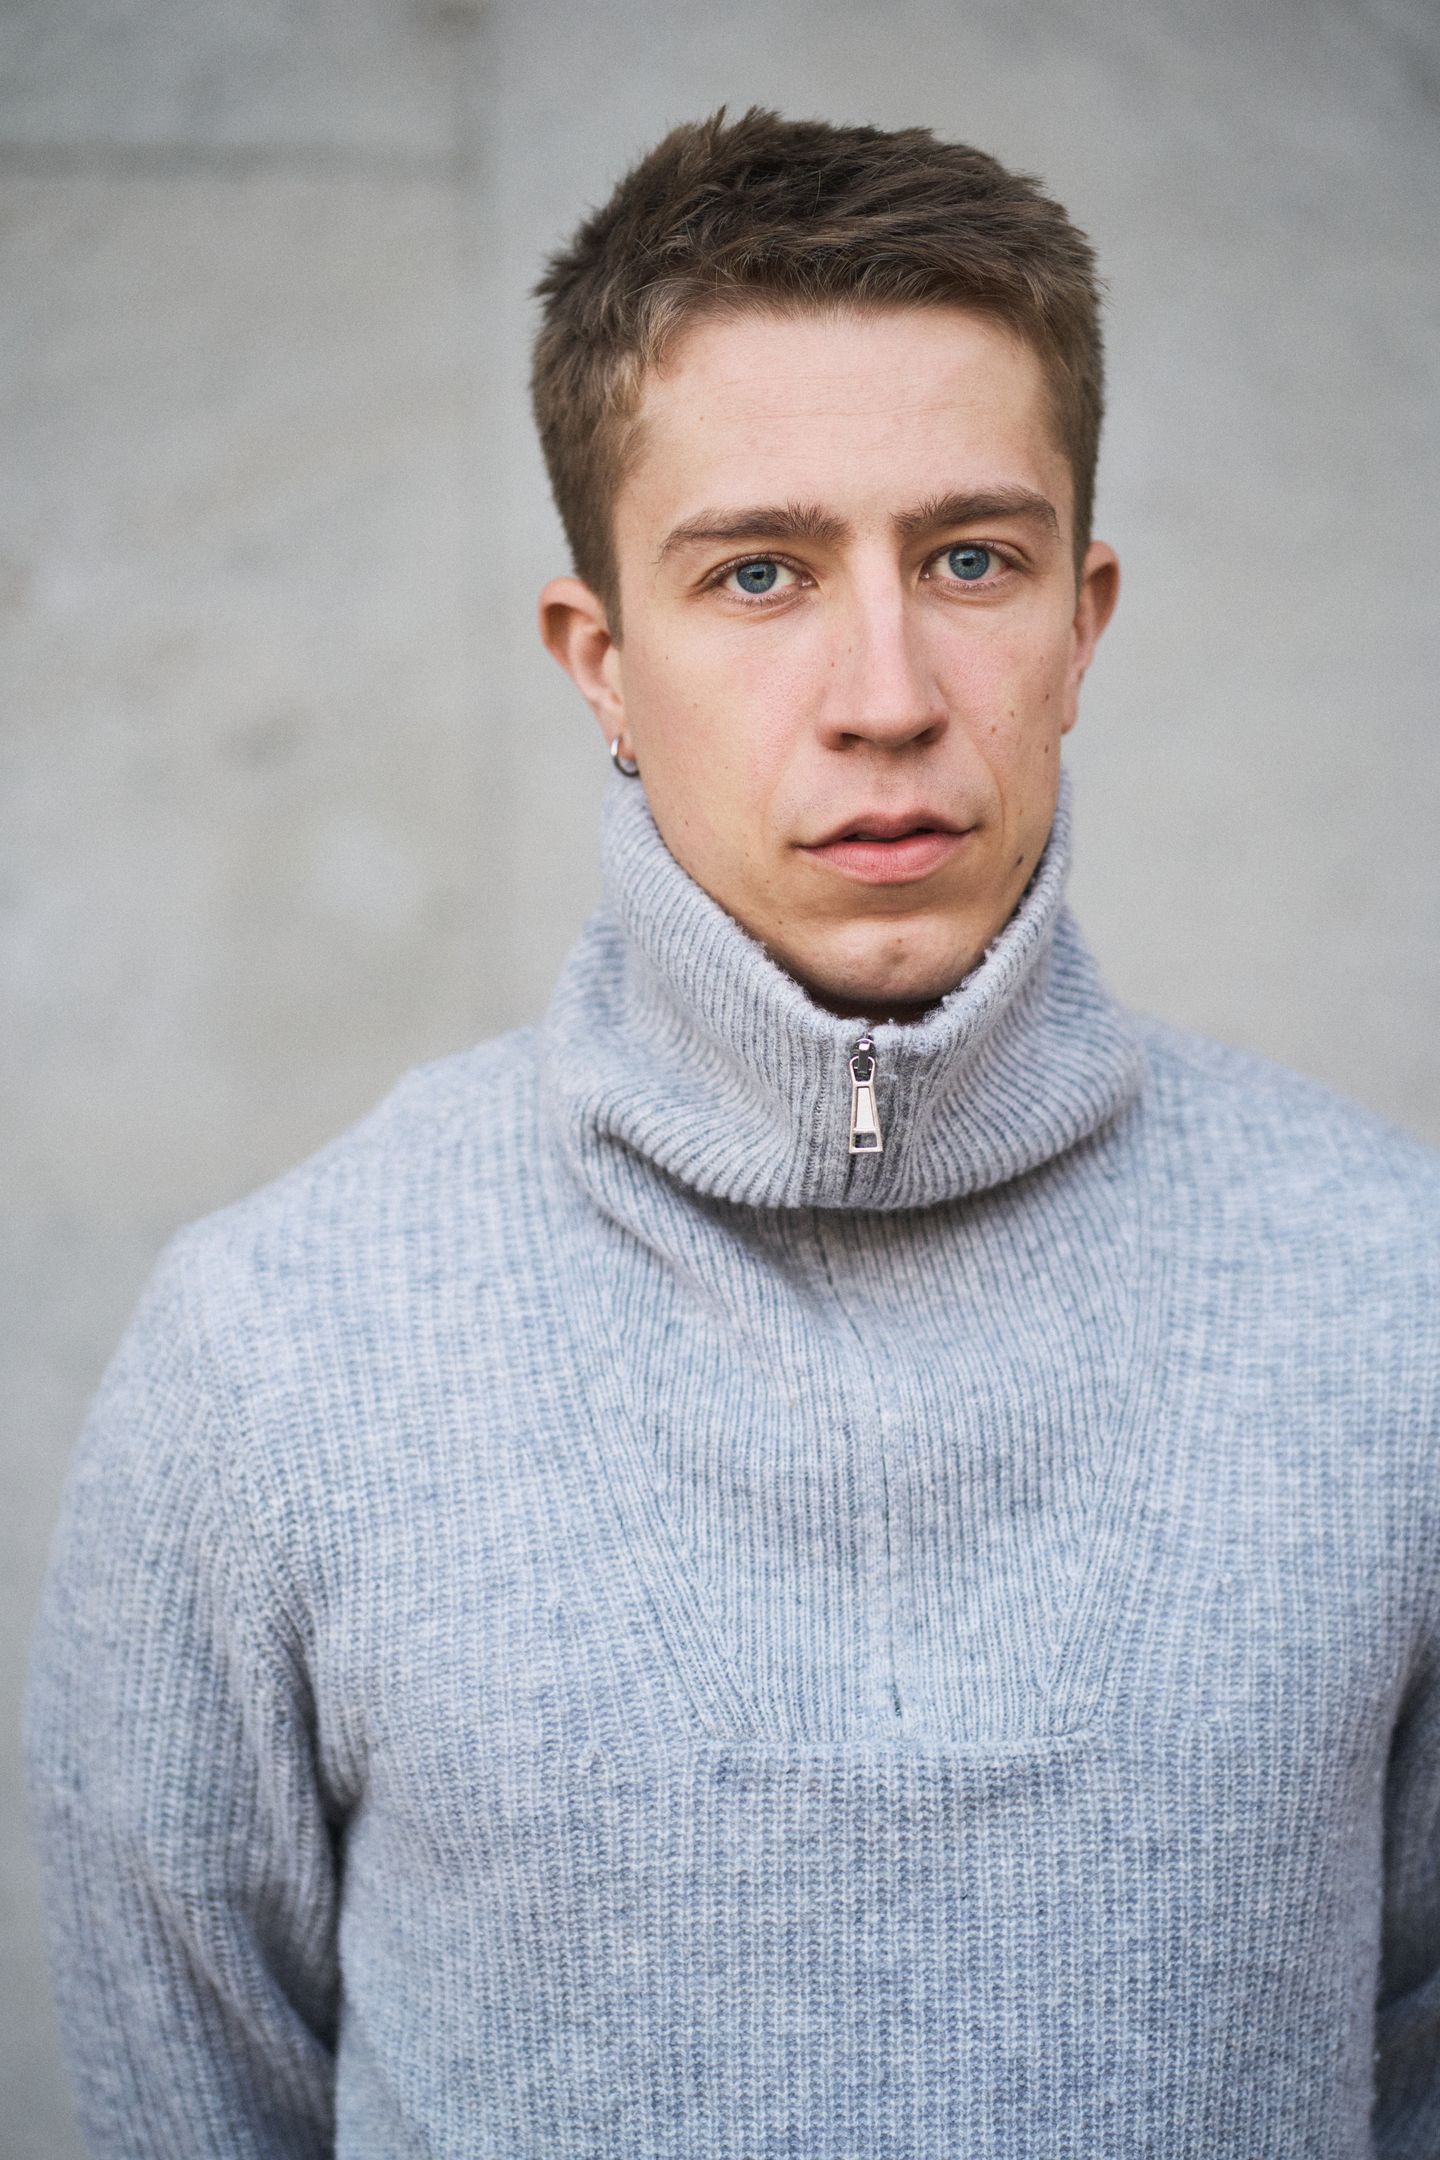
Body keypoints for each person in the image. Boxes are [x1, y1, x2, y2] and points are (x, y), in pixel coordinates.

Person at [24, 106, 1440, 2158]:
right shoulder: (280, 1348)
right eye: (759, 573)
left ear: (1083, 625)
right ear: (602, 662)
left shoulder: (1394, 1303)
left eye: (971, 560)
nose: (886, 692)